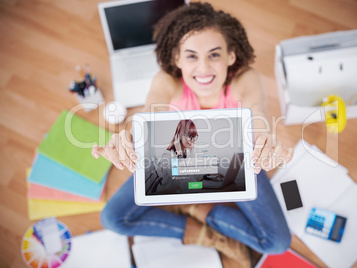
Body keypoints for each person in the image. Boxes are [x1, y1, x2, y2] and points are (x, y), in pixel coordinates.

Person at [92, 2, 293, 267]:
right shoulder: (167, 81)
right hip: (177, 154)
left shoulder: (245, 78)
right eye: (191, 56)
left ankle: (201, 210)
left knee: (277, 243)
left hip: (237, 157)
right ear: (176, 58)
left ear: (231, 55)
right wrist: (128, 135)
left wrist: (265, 136)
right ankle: (204, 234)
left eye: (214, 54)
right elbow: (150, 111)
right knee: (112, 219)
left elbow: (258, 113)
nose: (204, 68)